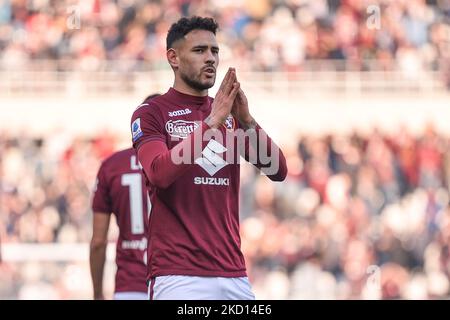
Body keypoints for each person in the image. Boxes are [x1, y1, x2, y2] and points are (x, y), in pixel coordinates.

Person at [130, 16, 287, 300]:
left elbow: (277, 169)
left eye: (215, 51)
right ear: (173, 58)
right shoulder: (152, 113)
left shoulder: (227, 113)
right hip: (177, 275)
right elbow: (159, 173)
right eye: (199, 50)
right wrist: (211, 123)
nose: (211, 58)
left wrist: (248, 122)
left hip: (233, 273)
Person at [89, 94, 160, 300]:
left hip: (129, 286)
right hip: (174, 282)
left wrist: (97, 295)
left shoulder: (111, 166)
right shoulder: (179, 162)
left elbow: (98, 242)